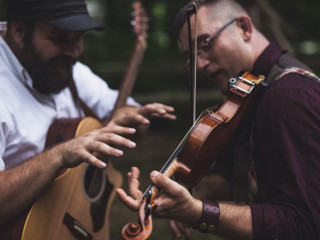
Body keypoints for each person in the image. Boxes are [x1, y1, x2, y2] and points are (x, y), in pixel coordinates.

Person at [116, 0, 320, 239]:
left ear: (244, 28)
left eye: (205, 43)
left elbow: (304, 225)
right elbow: (228, 167)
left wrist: (198, 212)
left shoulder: (286, 96)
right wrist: (188, 198)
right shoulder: (249, 91)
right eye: (191, 57)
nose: (200, 64)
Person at [0, 0, 177, 226]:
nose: (75, 52)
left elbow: (138, 125)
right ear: (18, 31)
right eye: (59, 38)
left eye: (79, 38)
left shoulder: (65, 69)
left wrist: (132, 119)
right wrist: (58, 156)